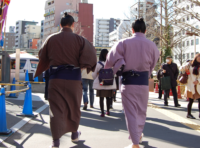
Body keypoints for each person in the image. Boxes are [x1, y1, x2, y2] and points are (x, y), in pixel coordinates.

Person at [34, 13, 97, 148]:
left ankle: (56, 141)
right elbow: (91, 52)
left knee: (55, 109)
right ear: (73, 25)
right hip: (73, 78)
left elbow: (41, 54)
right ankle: (74, 134)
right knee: (74, 107)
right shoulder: (80, 40)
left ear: (60, 25)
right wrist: (84, 64)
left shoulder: (51, 39)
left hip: (55, 78)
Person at [104, 18, 160, 148]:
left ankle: (135, 143)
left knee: (131, 113)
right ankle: (138, 135)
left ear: (132, 30)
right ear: (145, 31)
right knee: (141, 111)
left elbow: (109, 59)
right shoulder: (152, 45)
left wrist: (108, 69)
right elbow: (153, 65)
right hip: (143, 82)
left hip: (128, 83)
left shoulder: (123, 42)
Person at [92, 49, 117, 117]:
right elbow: (114, 73)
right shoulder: (111, 63)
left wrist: (96, 79)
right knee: (108, 98)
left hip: (101, 83)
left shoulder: (98, 64)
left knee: (101, 98)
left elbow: (94, 74)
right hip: (109, 83)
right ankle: (108, 111)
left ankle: (102, 112)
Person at [180, 54, 200, 119]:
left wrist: (198, 81)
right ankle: (188, 114)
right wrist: (185, 66)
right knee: (191, 100)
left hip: (198, 85)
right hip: (191, 85)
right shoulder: (190, 64)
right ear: (196, 57)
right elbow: (181, 69)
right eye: (198, 57)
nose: (199, 58)